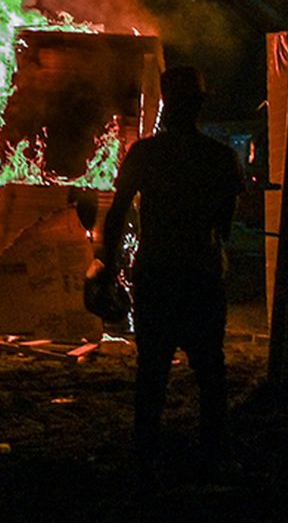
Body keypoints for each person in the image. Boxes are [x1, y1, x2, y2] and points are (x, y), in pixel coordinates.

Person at [91, 66, 242, 487]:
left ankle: (145, 454)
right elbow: (227, 223)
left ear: (166, 104)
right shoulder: (218, 156)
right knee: (211, 369)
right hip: (201, 275)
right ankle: (213, 453)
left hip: (157, 274)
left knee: (152, 370)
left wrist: (109, 266)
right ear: (198, 104)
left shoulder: (145, 154)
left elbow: (119, 210)